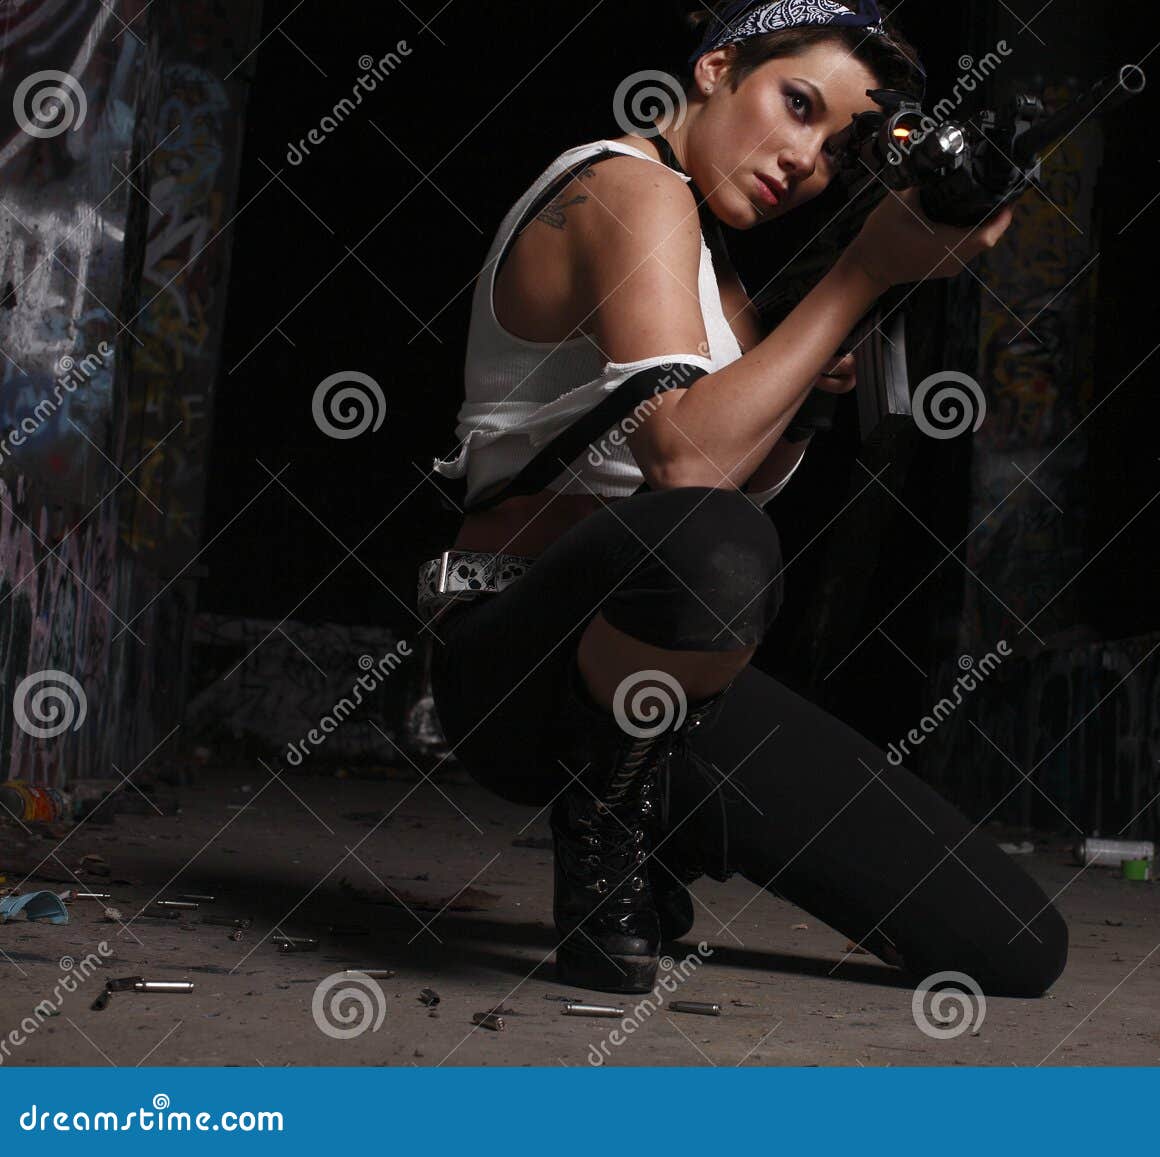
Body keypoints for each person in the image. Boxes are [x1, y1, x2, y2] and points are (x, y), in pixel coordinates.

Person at [422, 0, 1067, 998]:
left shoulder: (714, 268)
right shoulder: (626, 186)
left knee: (1011, 940)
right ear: (718, 67)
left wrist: (807, 380)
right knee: (717, 542)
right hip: (515, 659)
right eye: (797, 104)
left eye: (837, 148)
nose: (804, 160)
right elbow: (689, 471)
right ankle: (606, 840)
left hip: (655, 692)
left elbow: (744, 480)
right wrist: (859, 275)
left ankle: (650, 816)